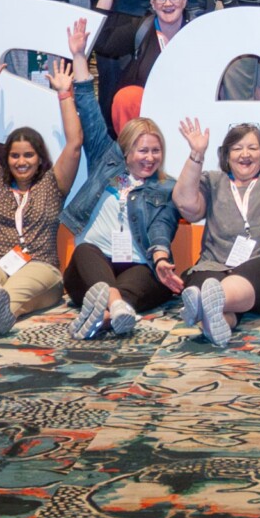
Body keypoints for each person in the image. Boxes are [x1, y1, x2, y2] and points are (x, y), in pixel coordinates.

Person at [0, 34, 88, 340]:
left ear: (40, 159)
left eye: (29, 155)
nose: (21, 161)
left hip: (41, 268)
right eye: (15, 155)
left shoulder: (54, 185)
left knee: (17, 288)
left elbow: (75, 143)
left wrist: (65, 95)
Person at [173, 96, 260, 348]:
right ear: (226, 156)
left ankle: (210, 300)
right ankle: (219, 319)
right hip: (216, 266)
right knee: (203, 277)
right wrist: (196, 154)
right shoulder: (213, 181)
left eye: (252, 148)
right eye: (236, 148)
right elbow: (186, 205)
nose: (244, 154)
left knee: (254, 269)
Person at [64, 87, 184, 341]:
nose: (150, 158)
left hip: (139, 264)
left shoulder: (167, 187)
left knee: (147, 277)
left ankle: (105, 318)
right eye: (143, 150)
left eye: (156, 151)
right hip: (92, 268)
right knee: (84, 250)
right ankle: (116, 306)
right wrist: (78, 57)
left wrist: (161, 258)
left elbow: (162, 226)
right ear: (126, 151)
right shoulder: (104, 166)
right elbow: (90, 115)